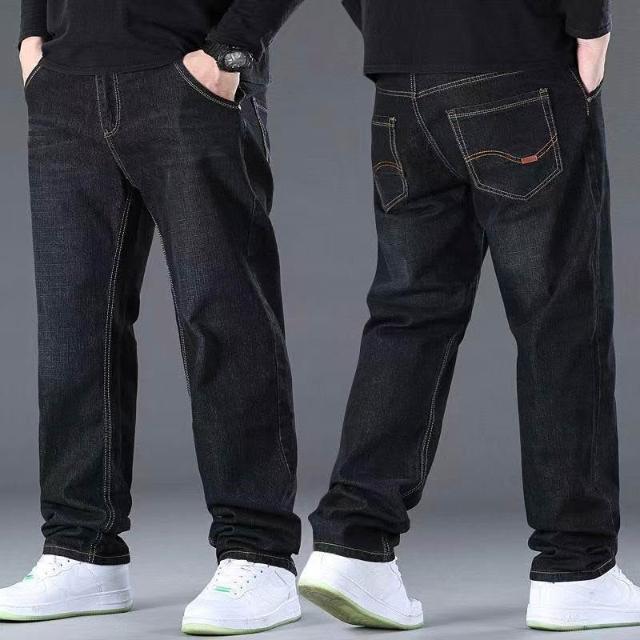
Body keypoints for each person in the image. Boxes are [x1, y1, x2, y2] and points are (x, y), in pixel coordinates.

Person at [299, 0, 640, 632]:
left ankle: (353, 544)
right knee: (559, 321)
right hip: (518, 63)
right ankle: (577, 568)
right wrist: (591, 29)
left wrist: (397, 28)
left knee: (408, 314)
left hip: (404, 84)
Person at [1, 0, 304, 634]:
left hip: (189, 79)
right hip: (66, 86)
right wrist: (33, 38)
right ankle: (81, 548)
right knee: (72, 328)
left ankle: (259, 553)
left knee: (222, 316)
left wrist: (231, 50)